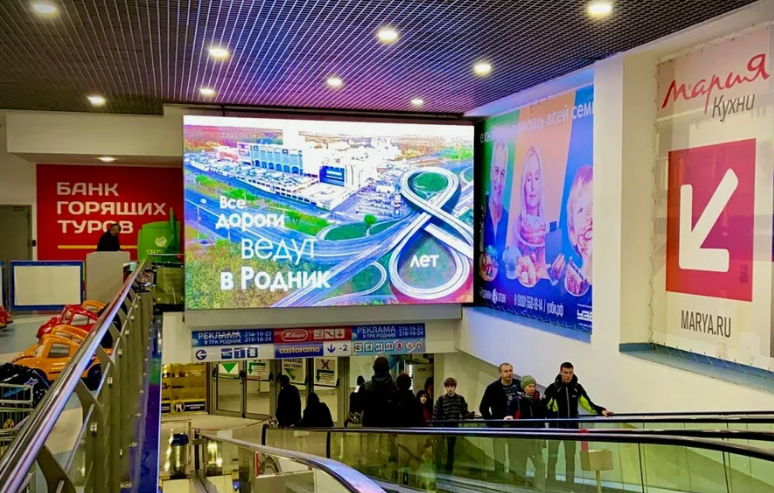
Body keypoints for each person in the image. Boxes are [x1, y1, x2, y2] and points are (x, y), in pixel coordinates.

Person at [543, 362, 611, 486]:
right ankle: (551, 483)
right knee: (552, 458)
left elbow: (588, 404)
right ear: (560, 372)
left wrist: (602, 410)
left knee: (570, 458)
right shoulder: (553, 388)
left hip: (572, 429)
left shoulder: (577, 388)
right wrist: (551, 413)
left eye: (570, 373)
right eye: (565, 372)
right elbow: (542, 407)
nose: (568, 375)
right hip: (555, 429)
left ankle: (570, 485)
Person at [479, 363, 522, 478]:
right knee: (499, 457)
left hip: (516, 428)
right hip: (499, 428)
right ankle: (500, 478)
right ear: (500, 373)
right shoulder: (492, 388)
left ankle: (515, 478)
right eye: (506, 371)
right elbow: (483, 408)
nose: (509, 373)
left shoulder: (519, 385)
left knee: (516, 456)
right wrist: (492, 424)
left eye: (510, 370)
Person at [504, 375, 546, 490]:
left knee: (540, 464)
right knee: (520, 465)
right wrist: (509, 417)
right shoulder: (516, 401)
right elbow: (509, 414)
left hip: (535, 439)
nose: (532, 389)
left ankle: (540, 488)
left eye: (533, 386)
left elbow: (541, 419)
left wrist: (542, 437)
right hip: (520, 439)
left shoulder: (537, 401)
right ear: (523, 387)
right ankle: (519, 488)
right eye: (529, 386)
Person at [481, 141, 510, 278]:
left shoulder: (509, 220)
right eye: (496, 171)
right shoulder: (480, 216)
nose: (498, 180)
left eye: (503, 173)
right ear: (491, 173)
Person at [433, 378, 473, 472]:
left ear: (455, 387)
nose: (450, 388)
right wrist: (435, 427)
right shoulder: (441, 399)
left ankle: (449, 466)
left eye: (452, 386)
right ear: (445, 387)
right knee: (440, 448)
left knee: (451, 448)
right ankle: (439, 466)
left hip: (454, 427)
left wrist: (471, 415)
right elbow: (435, 414)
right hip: (442, 427)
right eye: (448, 386)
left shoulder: (460, 399)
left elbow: (464, 413)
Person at [566, 165, 593, 283]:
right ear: (573, 235)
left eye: (594, 206)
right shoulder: (572, 285)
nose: (588, 216)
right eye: (581, 210)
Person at [361, 356, 397, 427]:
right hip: (390, 425)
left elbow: (360, 406)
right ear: (388, 368)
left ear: (374, 369)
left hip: (370, 425)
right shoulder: (395, 386)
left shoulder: (366, 387)